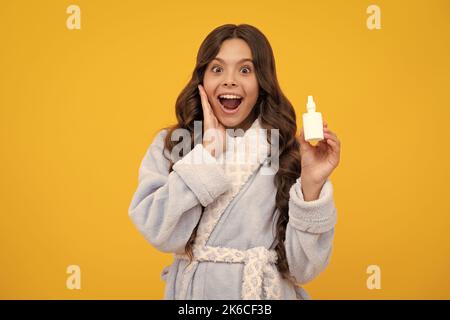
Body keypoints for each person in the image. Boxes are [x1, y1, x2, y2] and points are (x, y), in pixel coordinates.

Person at [128, 24, 341, 299]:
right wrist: (205, 155)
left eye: (245, 70)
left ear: (262, 83)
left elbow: (304, 270)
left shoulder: (287, 152)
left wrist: (311, 186)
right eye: (217, 69)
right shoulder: (172, 145)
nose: (230, 80)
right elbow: (159, 231)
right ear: (202, 80)